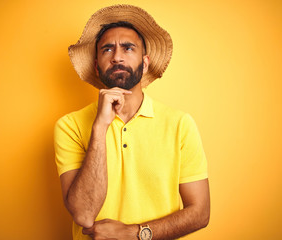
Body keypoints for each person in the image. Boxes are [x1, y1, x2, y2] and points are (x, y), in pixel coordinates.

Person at [54, 4, 210, 240]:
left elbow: (200, 213)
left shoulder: (180, 124)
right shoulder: (69, 126)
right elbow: (84, 215)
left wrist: (135, 233)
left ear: (145, 63)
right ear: (97, 66)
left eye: (128, 48)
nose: (117, 57)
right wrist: (99, 127)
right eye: (107, 50)